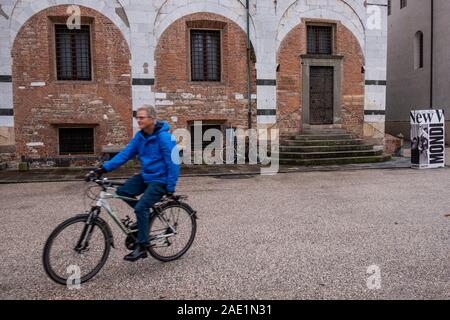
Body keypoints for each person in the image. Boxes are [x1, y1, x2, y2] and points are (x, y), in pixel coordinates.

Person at [91, 105, 180, 262]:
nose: (138, 120)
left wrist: (170, 187)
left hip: (160, 180)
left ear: (152, 119)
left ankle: (143, 246)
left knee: (141, 207)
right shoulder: (140, 137)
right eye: (137, 117)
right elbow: (125, 154)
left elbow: (173, 162)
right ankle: (143, 217)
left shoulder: (165, 138)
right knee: (122, 191)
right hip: (146, 176)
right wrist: (102, 169)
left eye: (141, 117)